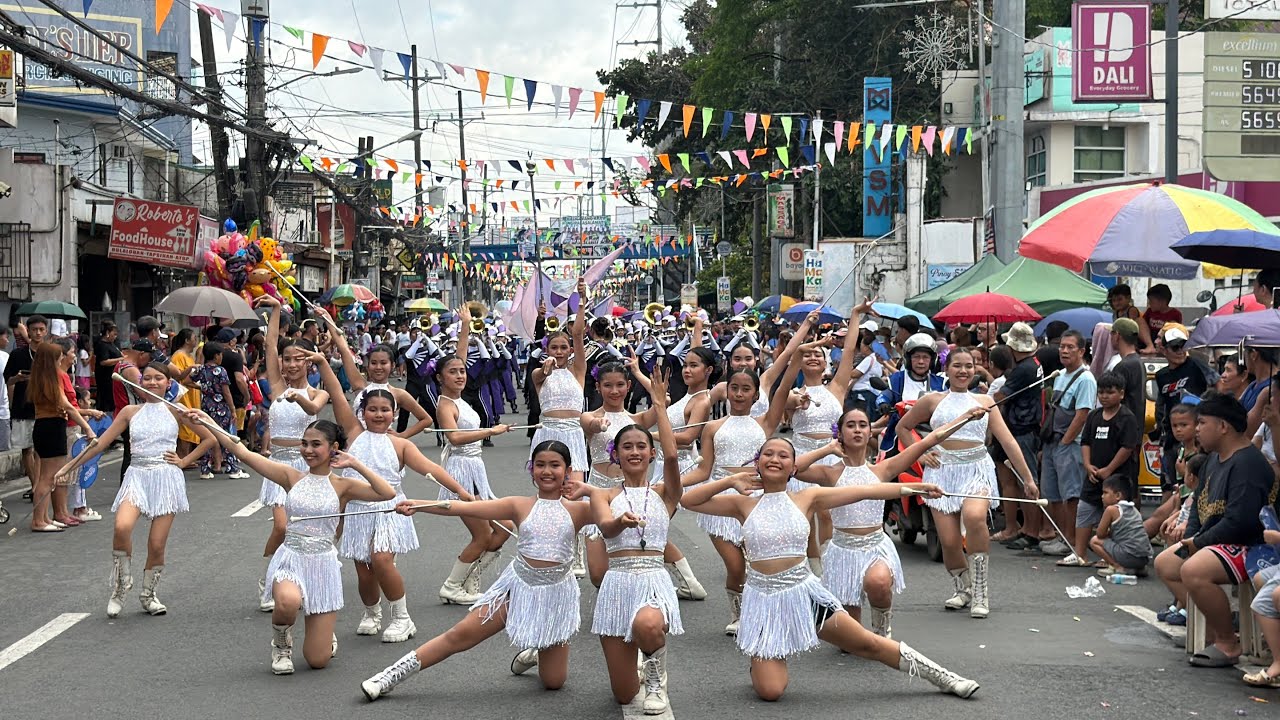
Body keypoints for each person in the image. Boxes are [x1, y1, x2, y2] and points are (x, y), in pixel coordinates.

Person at [680, 437, 979, 702]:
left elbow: (865, 491)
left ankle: (943, 677)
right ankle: (762, 656)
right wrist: (731, 481)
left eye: (783, 455)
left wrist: (916, 487)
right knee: (771, 691)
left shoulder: (807, 498)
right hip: (764, 603)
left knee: (868, 643)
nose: (775, 459)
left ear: (793, 466)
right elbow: (688, 500)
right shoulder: (741, 504)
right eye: (768, 454)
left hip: (804, 595)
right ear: (757, 463)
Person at [360, 441, 595, 700]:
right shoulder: (518, 505)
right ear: (531, 469)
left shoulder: (581, 509)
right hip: (518, 587)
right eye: (540, 465)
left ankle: (536, 651)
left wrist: (589, 489)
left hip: (556, 597)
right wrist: (418, 505)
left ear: (568, 470)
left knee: (553, 682)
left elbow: (616, 503)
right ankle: (390, 675)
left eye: (554, 465)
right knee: (460, 636)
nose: (547, 471)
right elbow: (462, 507)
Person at [201, 415, 395, 673]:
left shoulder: (343, 486)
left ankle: (324, 636)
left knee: (317, 660)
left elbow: (387, 493)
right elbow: (243, 453)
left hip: (323, 567)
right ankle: (281, 645)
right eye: (304, 443)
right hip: (291, 558)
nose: (307, 450)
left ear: (334, 448)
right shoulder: (291, 476)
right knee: (287, 601)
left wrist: (355, 463)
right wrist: (206, 420)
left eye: (316, 444)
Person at [311, 348, 469, 643]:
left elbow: (432, 469)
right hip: (358, 510)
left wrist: (460, 491)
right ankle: (372, 613)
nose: (379, 414)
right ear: (362, 413)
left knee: (381, 559)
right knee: (364, 571)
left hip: (390, 510)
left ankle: (402, 617)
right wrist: (322, 363)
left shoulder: (401, 445)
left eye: (385, 410)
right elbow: (336, 392)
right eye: (372, 409)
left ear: (394, 414)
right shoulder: (354, 434)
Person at [794, 405, 983, 637]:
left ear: (870, 433)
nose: (857, 430)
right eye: (850, 426)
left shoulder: (882, 469)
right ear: (839, 434)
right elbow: (792, 469)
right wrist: (827, 449)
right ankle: (859, 636)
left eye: (863, 425)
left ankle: (882, 632)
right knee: (848, 639)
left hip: (875, 547)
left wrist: (965, 416)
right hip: (843, 552)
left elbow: (930, 440)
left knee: (879, 583)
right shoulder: (828, 473)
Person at [57, 362, 215, 614]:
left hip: (166, 479)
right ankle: (122, 585)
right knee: (122, 526)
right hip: (137, 476)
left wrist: (184, 461)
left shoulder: (177, 410)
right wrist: (69, 466)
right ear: (139, 383)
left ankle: (149, 595)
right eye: (147, 378)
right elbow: (100, 444)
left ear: (168, 383)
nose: (152, 383)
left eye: (158, 378)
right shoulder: (129, 412)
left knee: (157, 544)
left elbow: (210, 438)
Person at [570, 370, 683, 715]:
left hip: (652, 581)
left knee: (648, 624)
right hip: (617, 585)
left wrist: (660, 407)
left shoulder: (665, 494)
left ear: (651, 454)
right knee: (623, 694)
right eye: (627, 447)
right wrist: (619, 522)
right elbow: (605, 528)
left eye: (641, 447)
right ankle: (638, 669)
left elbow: (673, 457)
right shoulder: (602, 495)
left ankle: (656, 677)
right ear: (615, 455)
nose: (634, 452)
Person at [896, 348, 1037, 618]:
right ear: (946, 369)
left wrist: (1027, 478)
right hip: (942, 471)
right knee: (949, 542)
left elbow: (1008, 441)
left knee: (974, 517)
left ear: (976, 369)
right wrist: (921, 453)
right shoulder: (931, 400)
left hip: (976, 469)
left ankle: (981, 591)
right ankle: (964, 588)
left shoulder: (985, 401)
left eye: (969, 366)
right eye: (957, 366)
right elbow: (903, 427)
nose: (963, 371)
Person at [682, 335, 804, 635]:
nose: (738, 394)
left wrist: (798, 357)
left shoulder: (765, 422)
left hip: (757, 499)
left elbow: (783, 387)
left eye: (746, 389)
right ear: (726, 392)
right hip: (721, 501)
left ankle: (759, 611)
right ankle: (738, 614)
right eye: (734, 388)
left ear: (755, 394)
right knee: (735, 566)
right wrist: (670, 485)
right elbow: (703, 471)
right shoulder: (712, 427)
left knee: (756, 563)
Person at [1153, 392, 1276, 668]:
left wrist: (1199, 543)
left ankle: (1227, 641)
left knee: (1193, 570)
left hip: (1253, 545)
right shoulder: (1212, 459)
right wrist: (1191, 538)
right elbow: (1199, 505)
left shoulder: (1248, 463)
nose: (1197, 429)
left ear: (1223, 426)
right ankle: (1211, 629)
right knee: (1166, 563)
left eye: (1202, 423)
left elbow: (1241, 523)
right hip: (1218, 541)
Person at [255, 296, 332, 612]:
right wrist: (276, 309)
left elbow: (313, 409)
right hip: (278, 465)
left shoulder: (317, 392)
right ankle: (268, 579)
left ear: (309, 362)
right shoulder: (276, 386)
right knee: (282, 527)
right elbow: (270, 344)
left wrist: (297, 398)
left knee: (303, 529)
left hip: (306, 467)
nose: (290, 364)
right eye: (287, 359)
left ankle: (298, 581)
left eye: (298, 359)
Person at [432, 350, 513, 605]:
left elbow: (461, 350)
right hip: (461, 471)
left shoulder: (460, 400)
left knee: (505, 526)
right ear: (440, 377)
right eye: (452, 372)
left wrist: (466, 329)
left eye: (462, 371)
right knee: (482, 535)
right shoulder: (445, 405)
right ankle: (452, 586)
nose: (459, 376)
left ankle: (469, 578)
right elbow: (454, 438)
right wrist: (491, 431)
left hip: (476, 469)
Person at [1071, 372, 1141, 566]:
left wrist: (1109, 469)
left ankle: (1109, 556)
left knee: (1114, 516)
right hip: (1093, 474)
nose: (1104, 396)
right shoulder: (1094, 415)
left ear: (1121, 394)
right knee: (1084, 509)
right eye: (1101, 392)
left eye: (1110, 392)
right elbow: (1085, 442)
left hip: (1117, 476)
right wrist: (1087, 465)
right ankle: (1080, 554)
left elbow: (1127, 447)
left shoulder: (1127, 418)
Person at [1038, 330, 1097, 557]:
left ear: (1081, 351)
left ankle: (1072, 540)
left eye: (1070, 347)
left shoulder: (1086, 379)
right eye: (1062, 346)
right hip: (1052, 441)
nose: (1064, 351)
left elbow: (1082, 415)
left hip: (1069, 444)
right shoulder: (1060, 375)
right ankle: (1061, 536)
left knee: (1070, 494)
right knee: (1052, 492)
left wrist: (1065, 441)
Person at [530, 278, 591, 481]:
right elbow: (541, 374)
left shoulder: (578, 370)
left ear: (570, 350)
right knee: (550, 487)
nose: (559, 352)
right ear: (547, 350)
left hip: (574, 434)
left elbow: (578, 333)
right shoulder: (538, 373)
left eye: (563, 348)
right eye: (554, 348)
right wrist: (546, 368)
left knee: (575, 488)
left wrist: (582, 300)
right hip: (548, 433)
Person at [993, 323, 1046, 551]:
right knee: (1018, 480)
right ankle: (1023, 528)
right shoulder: (1034, 364)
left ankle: (1031, 531)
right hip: (1021, 427)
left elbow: (1000, 397)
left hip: (1022, 429)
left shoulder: (1024, 369)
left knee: (1027, 481)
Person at [1154, 324, 1218, 501]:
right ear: (1164, 350)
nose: (1180, 351)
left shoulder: (1196, 364)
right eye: (1175, 347)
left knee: (1195, 480)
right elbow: (1162, 404)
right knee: (1169, 485)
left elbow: (1217, 383)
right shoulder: (1161, 376)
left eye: (1183, 346)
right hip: (1171, 437)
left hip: (1197, 435)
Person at [6, 314, 47, 502]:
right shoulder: (17, 354)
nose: (38, 333)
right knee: (26, 448)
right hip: (23, 407)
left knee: (40, 449)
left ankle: (38, 487)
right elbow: (8, 380)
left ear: (46, 331)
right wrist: (18, 378)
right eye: (34, 329)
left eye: (41, 329)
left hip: (45, 406)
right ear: (28, 331)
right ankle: (34, 485)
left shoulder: (50, 353)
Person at [189, 342, 238, 479]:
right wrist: (233, 409)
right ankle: (232, 468)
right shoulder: (221, 370)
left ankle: (205, 469)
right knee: (226, 436)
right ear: (216, 356)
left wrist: (204, 388)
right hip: (221, 407)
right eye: (220, 355)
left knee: (206, 436)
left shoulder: (201, 369)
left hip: (206, 407)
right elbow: (226, 392)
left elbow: (188, 380)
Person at [1089, 477, 1153, 576]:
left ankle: (1116, 567)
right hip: (1144, 558)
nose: (1102, 496)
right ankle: (1138, 569)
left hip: (1128, 556)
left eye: (1105, 493)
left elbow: (1100, 534)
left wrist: (1108, 532)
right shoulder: (1134, 510)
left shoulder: (1111, 510)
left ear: (1118, 495)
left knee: (1094, 541)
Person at [214, 328, 250, 478]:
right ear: (231, 341)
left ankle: (217, 463)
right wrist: (247, 395)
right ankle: (232, 464)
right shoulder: (235, 357)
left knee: (216, 432)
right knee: (232, 433)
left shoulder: (212, 354)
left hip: (213, 400)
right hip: (233, 398)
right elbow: (239, 379)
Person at [166, 329, 201, 457]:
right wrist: (191, 368)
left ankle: (188, 456)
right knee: (186, 426)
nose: (196, 340)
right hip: (183, 395)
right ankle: (183, 456)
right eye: (194, 338)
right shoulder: (178, 356)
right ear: (187, 340)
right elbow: (179, 376)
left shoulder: (189, 356)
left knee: (192, 424)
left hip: (192, 393)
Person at [1109, 318, 1146, 427]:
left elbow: (1113, 401)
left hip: (1122, 428)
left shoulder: (1123, 366)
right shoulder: (1138, 361)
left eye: (1111, 333)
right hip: (1135, 426)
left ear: (1117, 336)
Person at [1107, 284, 1154, 351]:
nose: (1117, 303)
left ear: (1128, 298)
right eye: (1114, 300)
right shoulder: (1115, 313)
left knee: (1139, 321)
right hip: (1121, 340)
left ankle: (1150, 345)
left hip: (1134, 340)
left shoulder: (1131, 310)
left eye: (1120, 299)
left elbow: (1131, 330)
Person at [1142, 284, 1182, 354]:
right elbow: (1143, 326)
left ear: (1162, 302)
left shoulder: (1175, 314)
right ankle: (1150, 346)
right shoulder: (1149, 311)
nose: (1149, 303)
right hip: (1150, 338)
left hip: (1163, 340)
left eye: (1151, 301)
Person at [94, 320, 123, 414]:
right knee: (106, 399)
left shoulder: (113, 344)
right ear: (107, 333)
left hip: (114, 375)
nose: (115, 337)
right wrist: (120, 359)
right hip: (105, 377)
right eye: (114, 334)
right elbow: (104, 361)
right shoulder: (102, 345)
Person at [0, 325, 11, 453]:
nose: (7, 341)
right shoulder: (5, 357)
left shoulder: (5, 356)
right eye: (6, 337)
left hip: (3, 412)